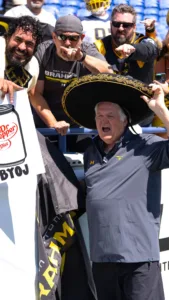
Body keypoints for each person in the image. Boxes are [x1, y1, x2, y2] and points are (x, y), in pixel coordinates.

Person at [61, 72, 169, 300]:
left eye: (110, 115)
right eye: (99, 116)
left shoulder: (147, 146)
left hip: (139, 260)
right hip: (102, 261)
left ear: (125, 120)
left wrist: (160, 109)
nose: (103, 121)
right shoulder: (90, 152)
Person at [29, 14, 112, 137]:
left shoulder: (88, 50)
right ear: (54, 37)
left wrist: (82, 58)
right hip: (45, 118)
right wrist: (53, 123)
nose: (68, 43)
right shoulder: (43, 52)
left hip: (78, 121)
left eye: (73, 38)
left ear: (82, 38)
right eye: (62, 37)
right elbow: (34, 93)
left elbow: (109, 74)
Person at [95, 4, 159, 84]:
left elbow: (152, 50)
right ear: (111, 24)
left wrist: (132, 50)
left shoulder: (143, 41)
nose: (121, 28)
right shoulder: (100, 46)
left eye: (126, 25)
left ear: (134, 27)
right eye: (116, 24)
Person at [0, 15, 42, 102]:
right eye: (18, 39)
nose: (22, 47)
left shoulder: (33, 66)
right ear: (7, 37)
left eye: (29, 44)